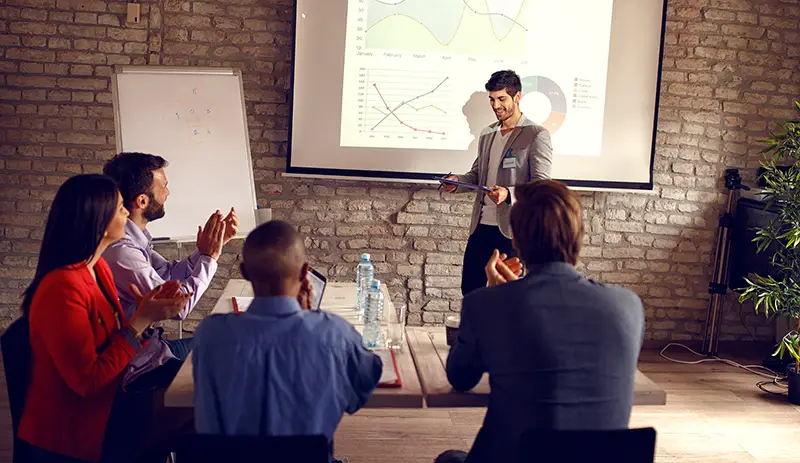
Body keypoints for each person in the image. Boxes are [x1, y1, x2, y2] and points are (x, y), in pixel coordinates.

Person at [436, 180, 645, 463]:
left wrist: (494, 295)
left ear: (516, 241)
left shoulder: (486, 303)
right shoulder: (628, 305)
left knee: (451, 459)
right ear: (580, 238)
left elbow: (460, 377)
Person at [17, 174, 191, 463]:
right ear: (97, 218)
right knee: (196, 409)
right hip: (77, 429)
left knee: (199, 402)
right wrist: (142, 319)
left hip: (111, 401)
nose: (127, 212)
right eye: (120, 207)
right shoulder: (61, 287)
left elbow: (110, 341)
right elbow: (89, 381)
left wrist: (146, 308)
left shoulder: (98, 271)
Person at [192, 220, 382, 462]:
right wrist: (311, 318)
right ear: (305, 274)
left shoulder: (210, 335)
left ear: (245, 272)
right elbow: (362, 387)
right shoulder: (335, 333)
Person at [100, 152, 236, 462]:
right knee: (213, 399)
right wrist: (210, 259)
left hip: (152, 348)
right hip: (139, 363)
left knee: (222, 351)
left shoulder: (137, 240)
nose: (169, 192)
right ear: (142, 201)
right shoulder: (122, 251)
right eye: (164, 186)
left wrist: (205, 252)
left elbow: (168, 274)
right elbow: (177, 306)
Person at [440, 70, 553, 296]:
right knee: (471, 291)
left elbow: (542, 186)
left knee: (507, 297)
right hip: (480, 228)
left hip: (511, 232)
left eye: (502, 99)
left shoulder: (536, 134)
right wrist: (456, 182)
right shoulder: (487, 134)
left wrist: (509, 194)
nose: (496, 105)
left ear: (517, 97)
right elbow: (476, 175)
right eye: (492, 99)